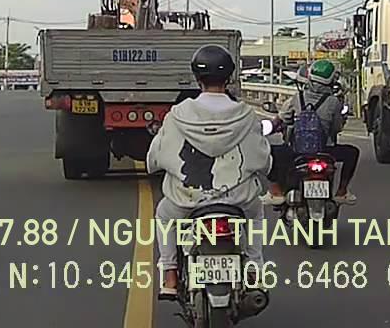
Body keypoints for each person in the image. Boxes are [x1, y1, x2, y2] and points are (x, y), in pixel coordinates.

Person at [146, 45, 271, 299]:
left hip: (188, 199)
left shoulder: (178, 115)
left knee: (164, 217)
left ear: (197, 77)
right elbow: (262, 159)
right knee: (257, 214)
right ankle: (254, 270)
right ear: (229, 77)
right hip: (238, 200)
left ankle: (170, 274)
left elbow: (157, 155)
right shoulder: (246, 115)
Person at [265, 58, 360, 205]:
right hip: (325, 151)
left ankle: (276, 192)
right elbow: (337, 128)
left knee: (268, 151)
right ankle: (342, 192)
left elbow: (283, 117)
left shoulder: (297, 98)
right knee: (353, 152)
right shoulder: (334, 102)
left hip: (296, 151)